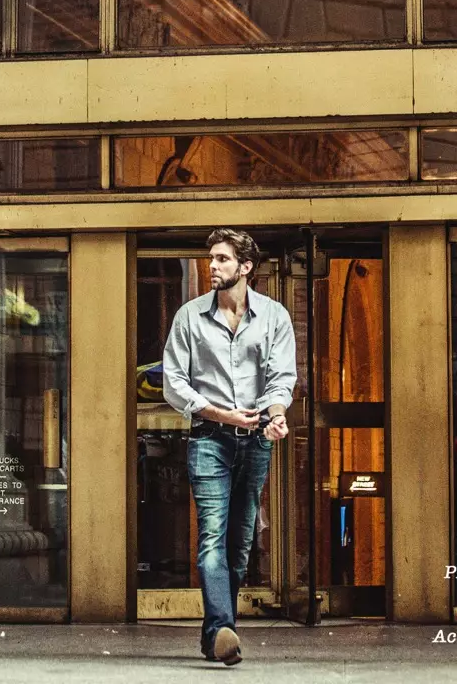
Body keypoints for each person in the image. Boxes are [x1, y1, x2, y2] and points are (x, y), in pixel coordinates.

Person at [162, 228, 297, 666]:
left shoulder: (274, 316)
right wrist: (220, 414)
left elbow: (281, 378)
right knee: (212, 536)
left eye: (221, 259)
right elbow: (174, 383)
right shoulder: (189, 317)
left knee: (240, 542)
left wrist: (277, 416)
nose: (212, 266)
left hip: (257, 440)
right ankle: (224, 627)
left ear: (246, 267)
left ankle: (215, 634)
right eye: (211, 258)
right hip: (208, 439)